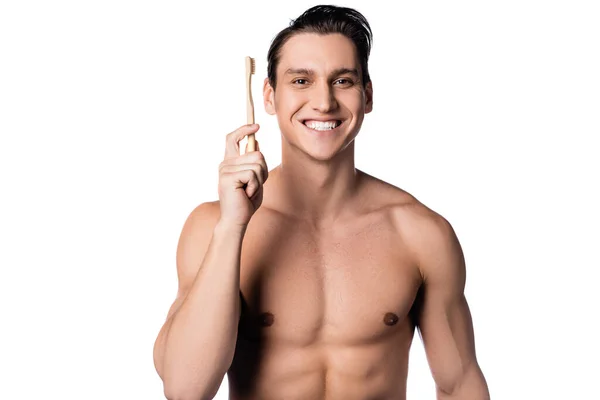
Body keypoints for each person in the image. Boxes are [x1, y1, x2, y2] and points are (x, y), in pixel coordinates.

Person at [153, 5, 490, 400]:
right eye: (301, 80)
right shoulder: (212, 226)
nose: (324, 102)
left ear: (366, 95)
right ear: (269, 96)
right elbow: (185, 389)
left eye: (342, 81)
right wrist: (233, 227)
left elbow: (459, 383)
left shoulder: (420, 233)